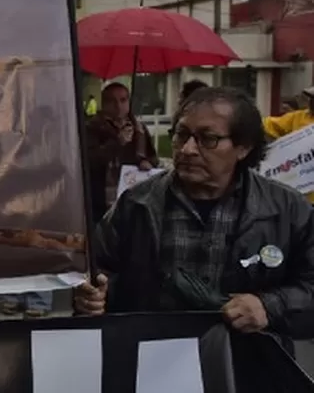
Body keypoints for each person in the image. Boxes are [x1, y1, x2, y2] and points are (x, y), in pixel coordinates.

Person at [75, 87, 314, 352]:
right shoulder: (137, 204)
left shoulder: (286, 209)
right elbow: (99, 271)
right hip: (152, 361)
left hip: (250, 365)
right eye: (181, 135)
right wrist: (92, 296)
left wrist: (269, 306)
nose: (188, 149)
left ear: (243, 147)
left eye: (207, 139)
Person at [85, 82, 159, 221]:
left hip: (133, 197)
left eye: (123, 100)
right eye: (112, 101)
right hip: (101, 201)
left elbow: (154, 157)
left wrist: (147, 162)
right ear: (104, 103)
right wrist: (117, 143)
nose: (118, 106)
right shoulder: (93, 128)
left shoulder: (139, 129)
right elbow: (89, 160)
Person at [262, 86, 314, 204]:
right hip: (300, 191)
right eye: (311, 98)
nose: (311, 102)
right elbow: (269, 125)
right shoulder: (299, 117)